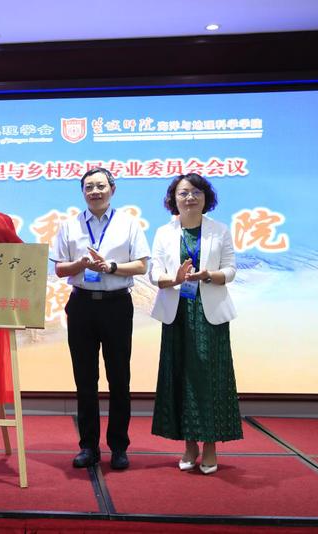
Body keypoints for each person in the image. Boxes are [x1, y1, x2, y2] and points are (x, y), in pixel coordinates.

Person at [51, 167, 150, 470]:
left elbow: (142, 266)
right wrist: (81, 264)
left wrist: (111, 267)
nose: (95, 192)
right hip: (81, 305)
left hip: (116, 305)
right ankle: (88, 447)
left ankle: (118, 446)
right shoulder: (70, 225)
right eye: (89, 187)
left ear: (112, 189)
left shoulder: (129, 224)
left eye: (100, 186)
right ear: (83, 192)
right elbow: (59, 269)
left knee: (119, 378)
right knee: (85, 379)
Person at [149, 173, 242, 475]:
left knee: (210, 379)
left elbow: (231, 269)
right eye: (183, 193)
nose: (190, 197)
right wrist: (173, 278)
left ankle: (210, 445)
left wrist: (209, 276)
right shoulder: (164, 232)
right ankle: (189, 445)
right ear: (173, 199)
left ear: (206, 197)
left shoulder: (220, 230)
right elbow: (154, 273)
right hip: (176, 313)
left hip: (209, 312)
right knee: (181, 377)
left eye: (196, 192)